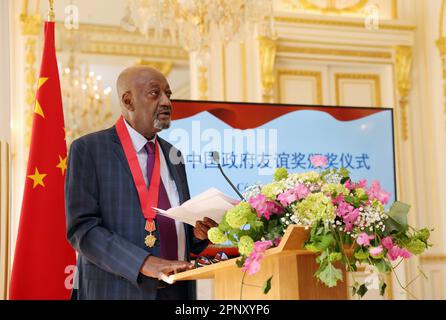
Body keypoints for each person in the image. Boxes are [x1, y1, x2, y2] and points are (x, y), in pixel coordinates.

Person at [65, 66, 218, 300]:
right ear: (128, 101)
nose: (167, 101)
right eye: (155, 94)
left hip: (177, 291)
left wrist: (196, 235)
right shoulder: (89, 150)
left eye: (168, 94)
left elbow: (180, 231)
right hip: (117, 291)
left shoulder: (173, 155)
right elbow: (83, 230)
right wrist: (144, 263)